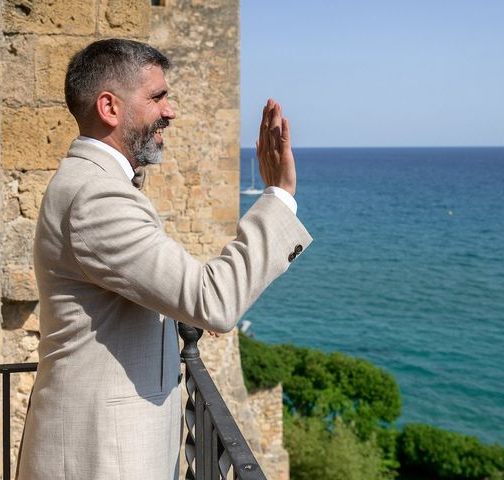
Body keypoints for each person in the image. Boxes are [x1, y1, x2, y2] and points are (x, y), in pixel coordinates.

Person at [16, 38, 311, 480]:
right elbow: (215, 300)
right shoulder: (97, 196)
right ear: (110, 107)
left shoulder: (92, 184)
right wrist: (279, 197)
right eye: (157, 97)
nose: (170, 111)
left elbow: (141, 282)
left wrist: (179, 306)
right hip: (101, 459)